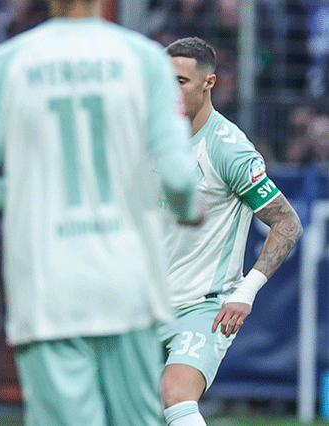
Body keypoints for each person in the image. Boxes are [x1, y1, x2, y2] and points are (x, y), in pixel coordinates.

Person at [0, 1, 203, 425]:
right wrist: (188, 207)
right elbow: (177, 178)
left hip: (48, 286)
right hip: (128, 280)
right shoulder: (143, 59)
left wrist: (26, 194)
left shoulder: (8, 62)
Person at [159, 37, 303, 426]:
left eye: (181, 82)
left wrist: (246, 291)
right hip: (144, 303)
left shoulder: (229, 149)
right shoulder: (150, 137)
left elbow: (287, 222)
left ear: (209, 83)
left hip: (203, 305)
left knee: (175, 395)